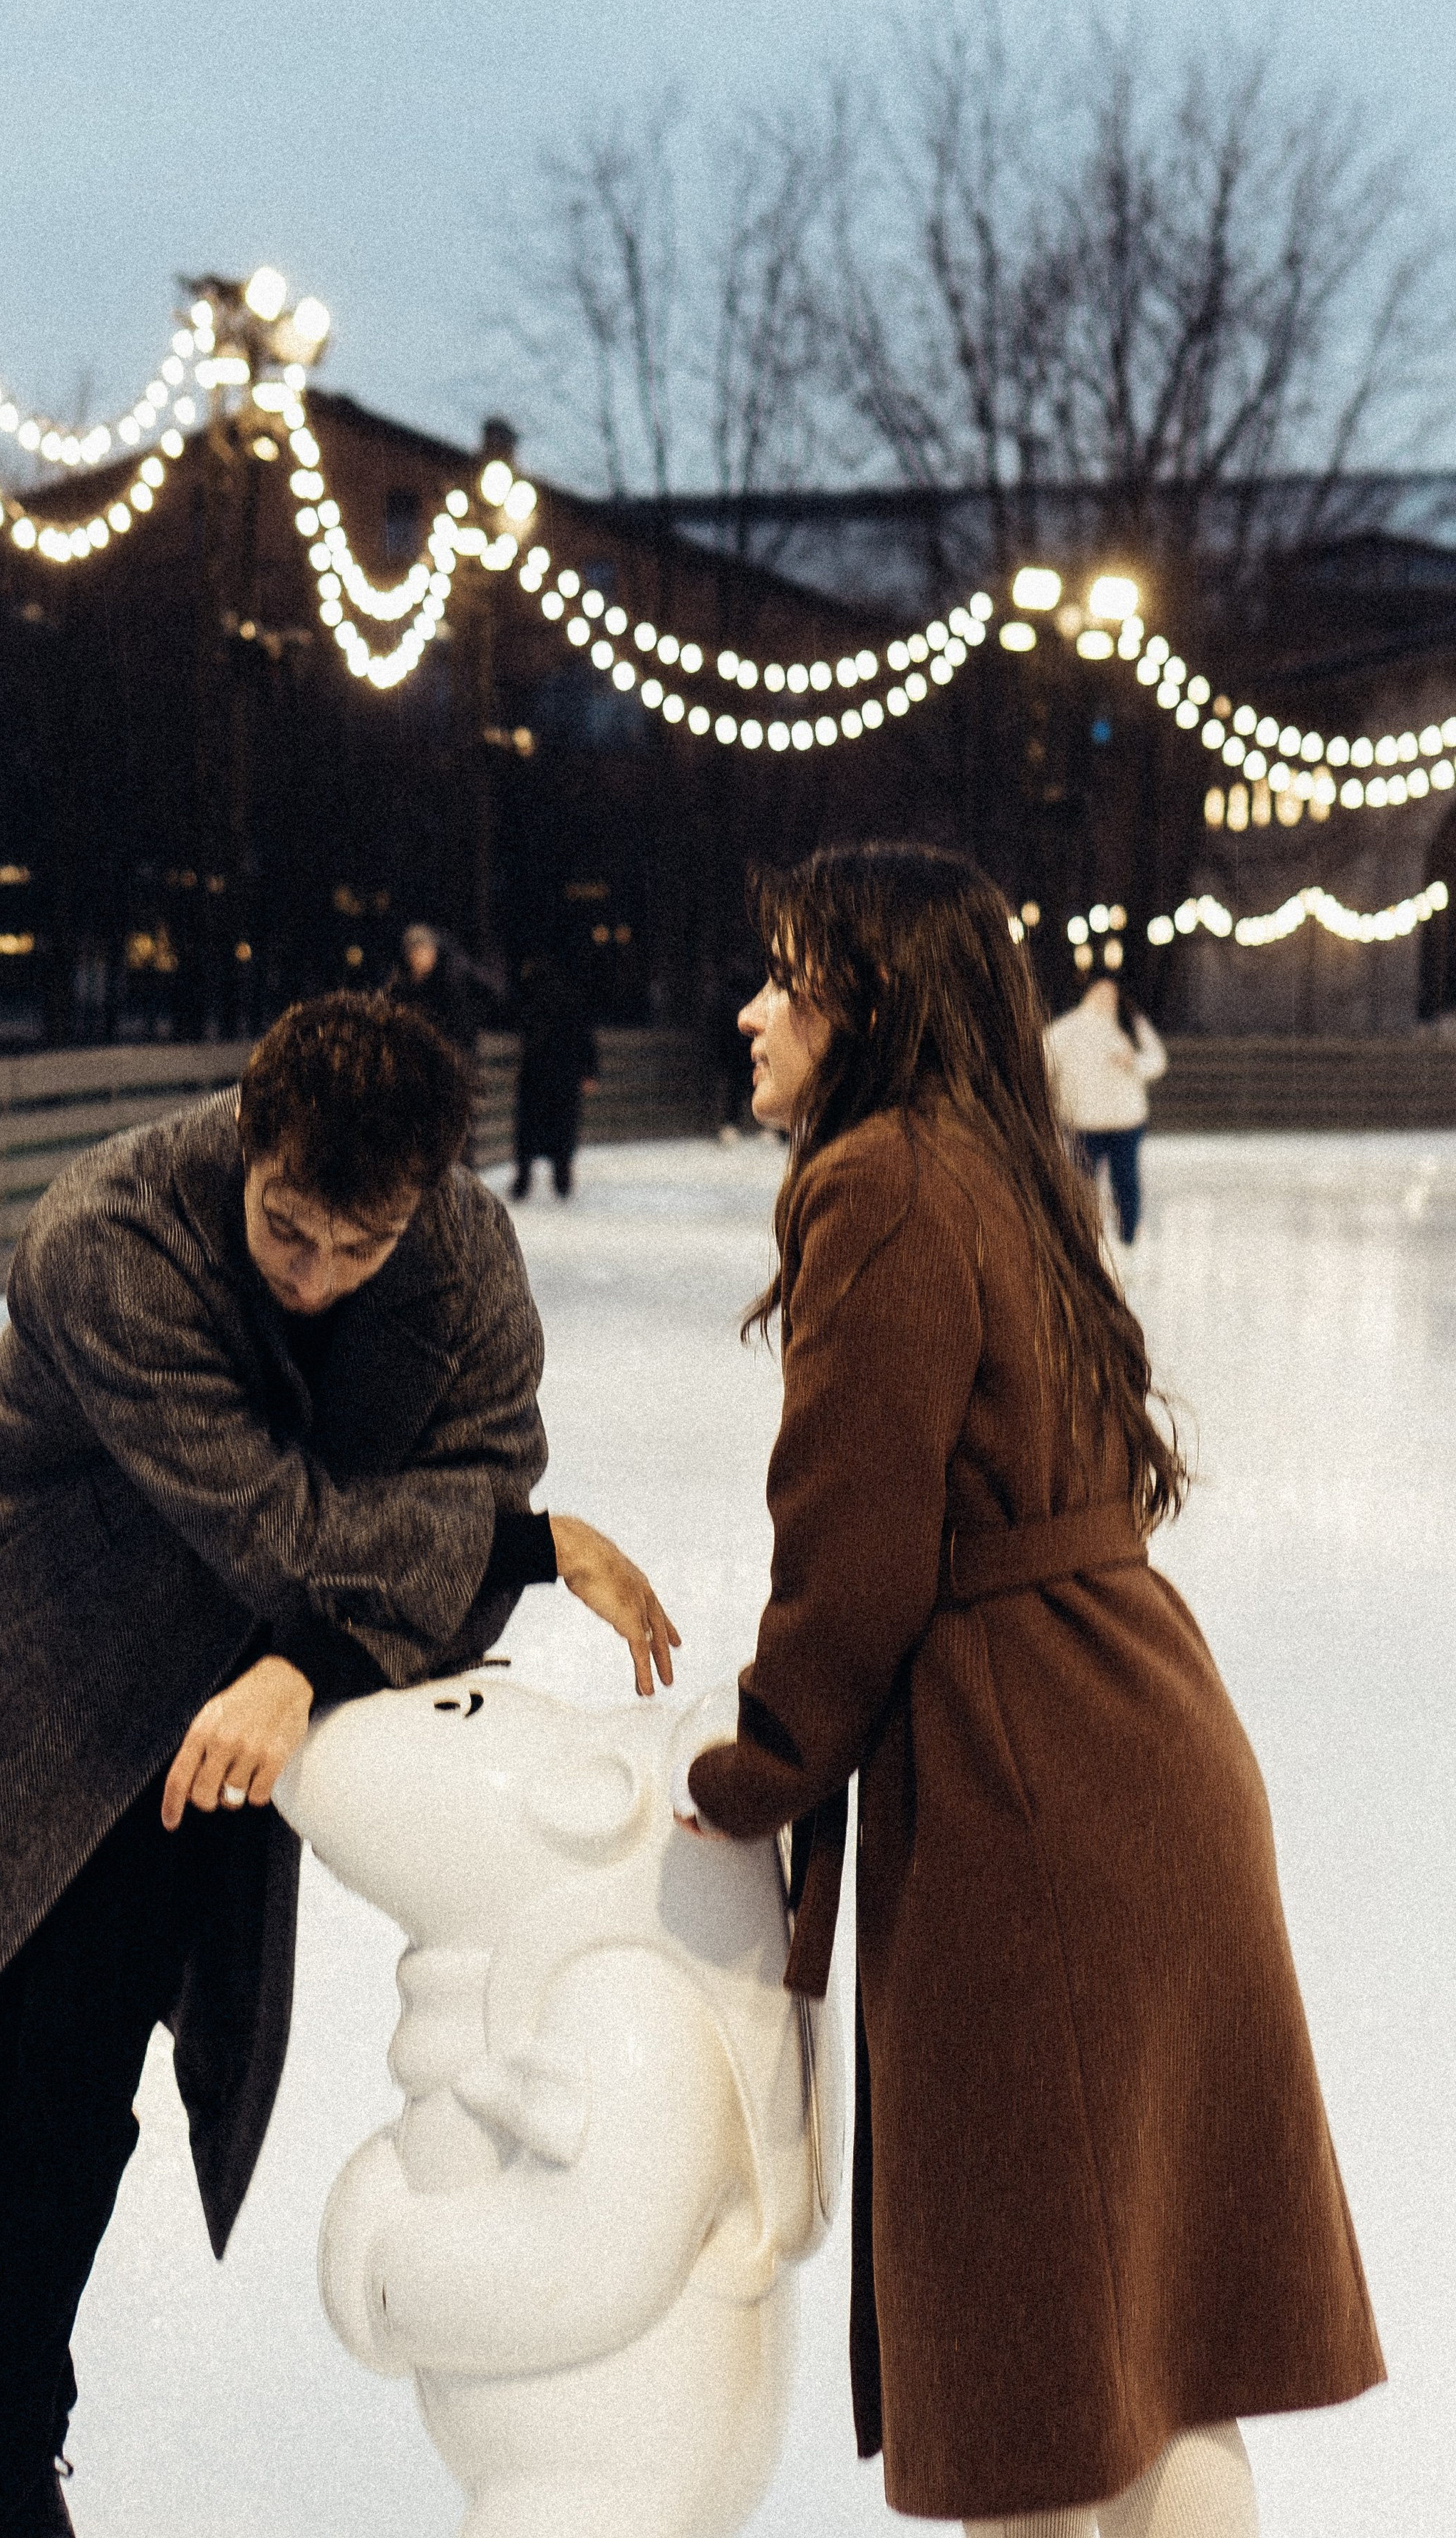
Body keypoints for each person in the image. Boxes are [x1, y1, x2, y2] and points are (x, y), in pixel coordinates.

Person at [0, 993, 676, 2538]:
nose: (314, 1275)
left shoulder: (464, 1255)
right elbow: (283, 1525)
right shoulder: (110, 1237)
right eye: (287, 1227)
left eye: (357, 1247)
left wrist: (310, 1664)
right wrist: (527, 1547)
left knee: (71, 2088)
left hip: (209, 1716)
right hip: (0, 1660)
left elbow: (477, 1463)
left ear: (423, 1197)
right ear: (247, 1129)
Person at [676, 845, 1383, 2538]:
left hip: (1025, 1797)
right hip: (1136, 1734)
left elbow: (851, 1544)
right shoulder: (1004, 1163)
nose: (750, 1012)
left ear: (870, 1002)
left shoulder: (877, 1181)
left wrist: (756, 1765)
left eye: (785, 978)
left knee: (1030, 2362)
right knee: (1159, 2347)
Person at [1044, 973, 1167, 1244]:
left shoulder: (1130, 1024)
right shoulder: (1067, 1029)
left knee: (1125, 1181)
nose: (1105, 998)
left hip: (1125, 1121)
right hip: (1084, 1123)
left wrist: (1134, 1061)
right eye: (1100, 992)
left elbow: (1157, 1061)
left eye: (1111, 993)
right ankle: (1080, 1236)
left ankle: (1128, 1235)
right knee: (1082, 1183)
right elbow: (1044, 1063)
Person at [510, 955, 598, 1200]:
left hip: (543, 1069)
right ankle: (557, 1177)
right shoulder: (572, 995)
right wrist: (590, 1070)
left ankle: (529, 1178)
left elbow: (583, 1034)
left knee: (533, 1126)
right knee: (559, 1126)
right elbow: (585, 1035)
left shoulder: (532, 994)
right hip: (559, 1071)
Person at [387, 921, 482, 1058]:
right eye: (419, 951)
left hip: (448, 1051)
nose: (426, 956)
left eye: (429, 950)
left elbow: (462, 1026)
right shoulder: (400, 985)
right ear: (409, 955)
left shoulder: (449, 982)